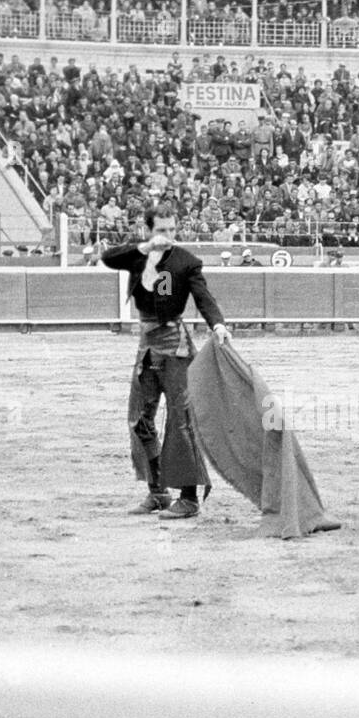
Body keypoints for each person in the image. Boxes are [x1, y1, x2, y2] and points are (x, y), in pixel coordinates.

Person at [101, 202, 231, 519]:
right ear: (148, 230)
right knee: (139, 419)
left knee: (182, 422)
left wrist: (218, 324)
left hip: (177, 348)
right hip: (147, 346)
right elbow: (107, 258)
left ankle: (188, 497)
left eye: (172, 229)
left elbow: (204, 298)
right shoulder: (137, 256)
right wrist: (146, 248)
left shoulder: (187, 262)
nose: (168, 236)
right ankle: (157, 492)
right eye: (161, 230)